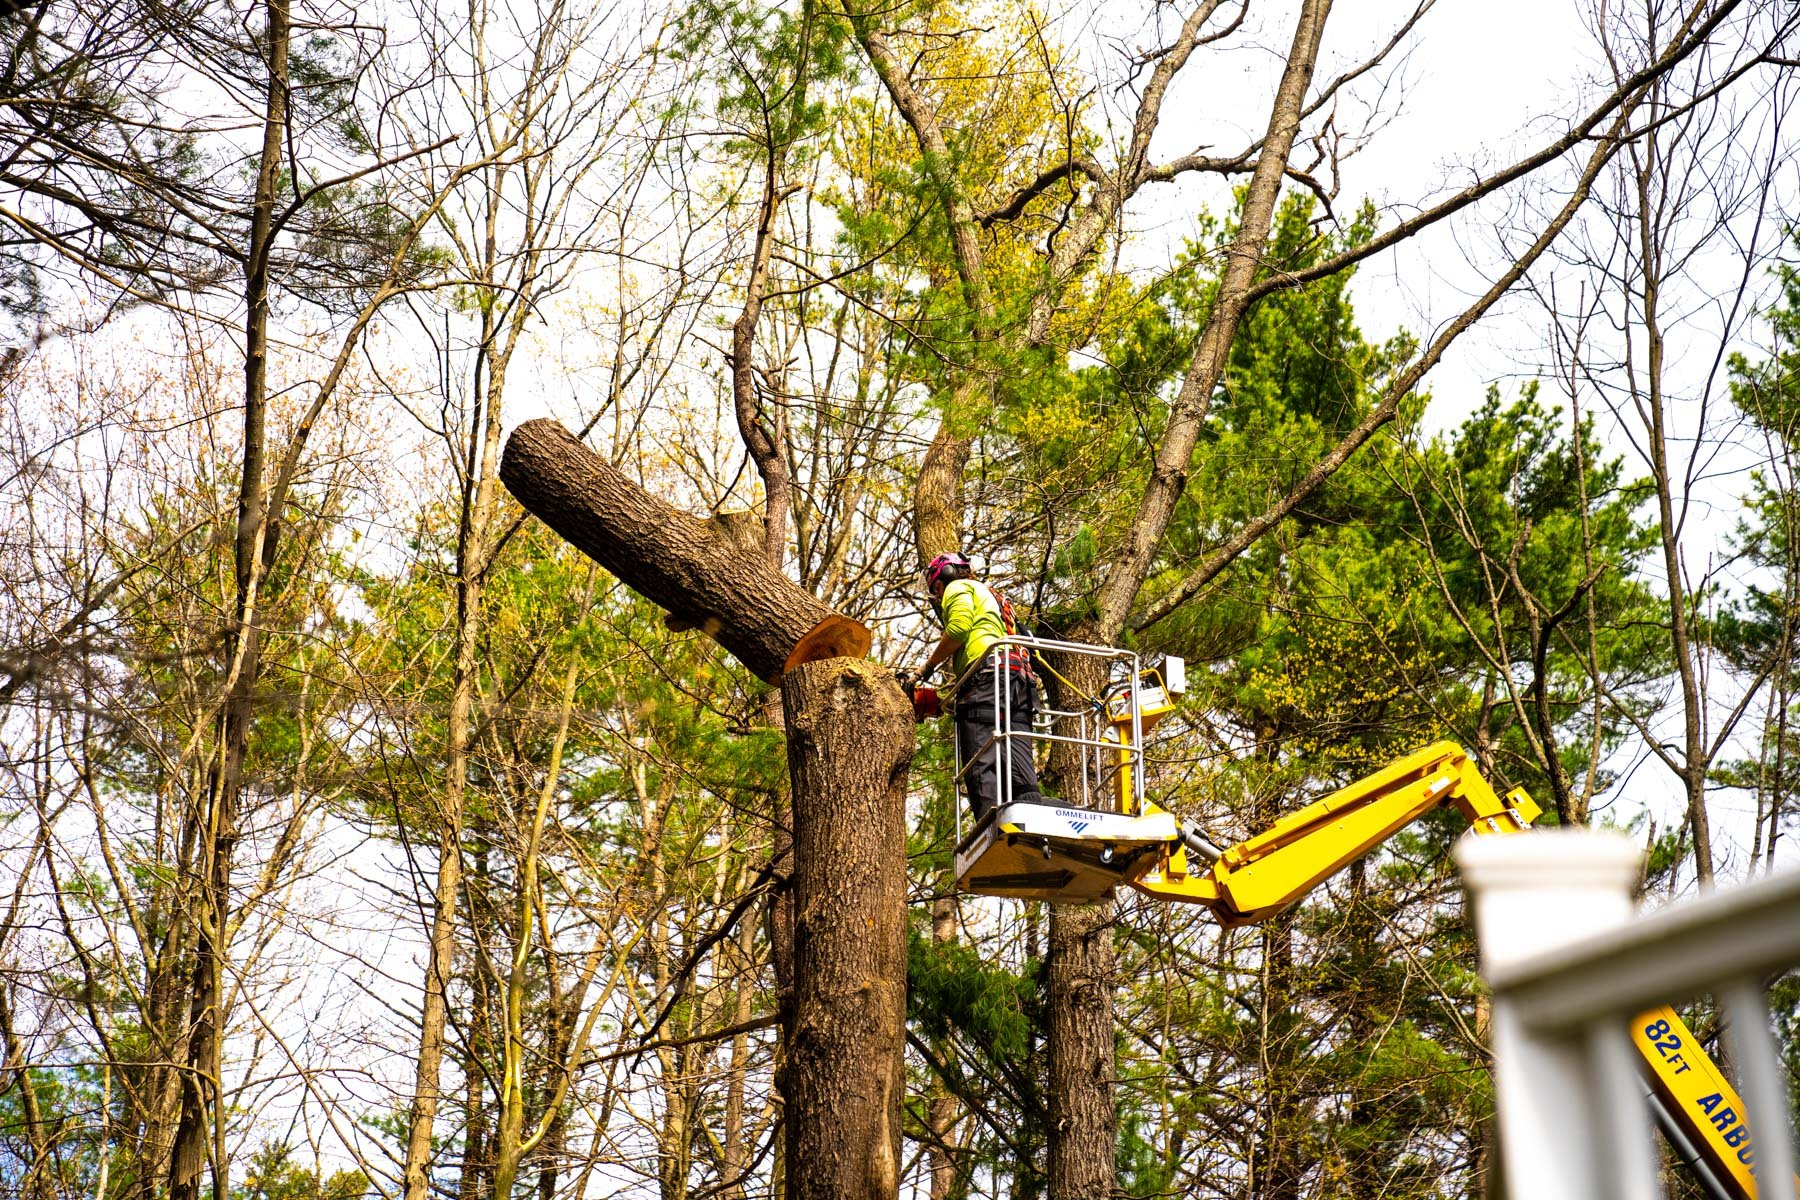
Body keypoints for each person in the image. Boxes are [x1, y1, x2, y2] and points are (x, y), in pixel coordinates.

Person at [916, 552, 1042, 823]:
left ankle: (991, 831)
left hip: (986, 678)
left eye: (936, 587)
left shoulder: (958, 587)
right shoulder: (993, 597)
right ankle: (1033, 824)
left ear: (947, 575)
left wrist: (926, 668)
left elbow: (960, 628)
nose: (937, 596)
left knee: (981, 762)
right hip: (1019, 679)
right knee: (1018, 761)